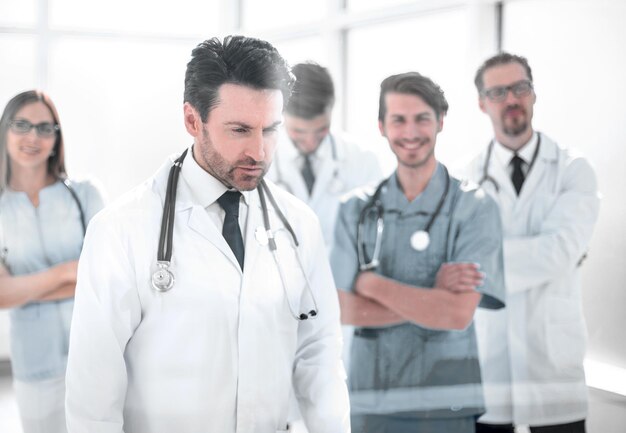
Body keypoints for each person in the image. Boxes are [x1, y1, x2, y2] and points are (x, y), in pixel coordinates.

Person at [65, 35, 350, 433]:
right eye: (240, 130)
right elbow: (92, 399)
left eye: (270, 130)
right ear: (192, 120)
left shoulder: (298, 225)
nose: (260, 152)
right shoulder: (120, 231)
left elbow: (318, 356)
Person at [331, 72, 506, 433]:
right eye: (398, 119)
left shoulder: (474, 207)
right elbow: (343, 308)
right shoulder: (355, 209)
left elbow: (456, 314)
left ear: (441, 121)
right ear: (381, 126)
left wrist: (371, 284)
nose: (410, 132)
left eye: (422, 118)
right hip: (372, 399)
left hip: (445, 402)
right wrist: (432, 299)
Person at [464, 53, 600, 433]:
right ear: (482, 103)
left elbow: (559, 253)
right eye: (498, 91)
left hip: (553, 366)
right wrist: (544, 255)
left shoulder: (573, 170)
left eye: (520, 87)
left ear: (534, 93)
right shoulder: (464, 179)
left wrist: (485, 263)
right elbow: (459, 262)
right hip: (490, 366)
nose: (511, 99)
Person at [0, 90, 105, 433]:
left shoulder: (86, 194)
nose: (34, 137)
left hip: (95, 353)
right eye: (22, 125)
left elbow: (105, 273)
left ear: (56, 137)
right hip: (35, 363)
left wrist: (23, 287)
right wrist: (69, 270)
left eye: (45, 128)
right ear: (5, 130)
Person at [267, 62, 383, 249]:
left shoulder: (362, 161)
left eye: (321, 130)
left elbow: (375, 239)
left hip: (342, 277)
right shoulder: (259, 161)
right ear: (279, 111)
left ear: (332, 108)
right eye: (299, 131)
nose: (311, 142)